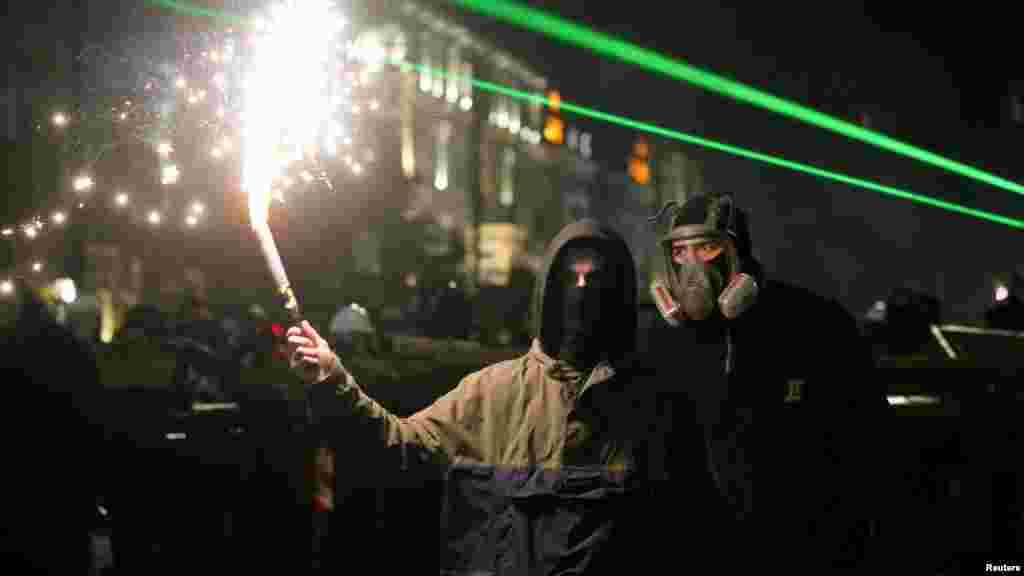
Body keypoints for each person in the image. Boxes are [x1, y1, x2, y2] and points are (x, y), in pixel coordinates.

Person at [286, 219, 659, 574]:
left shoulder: (651, 403)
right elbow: (399, 443)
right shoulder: (495, 393)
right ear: (549, 292)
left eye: (594, 281)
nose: (580, 291)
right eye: (569, 278)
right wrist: (332, 378)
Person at [637, 193, 888, 572]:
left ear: (738, 252)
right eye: (679, 252)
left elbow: (868, 443)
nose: (691, 267)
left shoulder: (813, 325)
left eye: (706, 247)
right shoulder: (658, 341)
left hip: (797, 551)